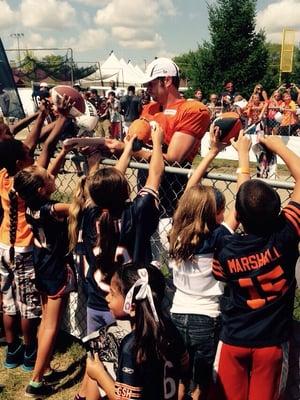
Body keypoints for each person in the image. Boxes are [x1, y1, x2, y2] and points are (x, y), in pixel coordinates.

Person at [72, 121, 164, 400]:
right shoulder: (135, 214)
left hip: (96, 301)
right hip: (122, 305)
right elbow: (156, 174)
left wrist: (126, 151)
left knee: (97, 361)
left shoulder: (89, 214)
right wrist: (157, 142)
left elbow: (109, 185)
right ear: (124, 190)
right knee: (121, 367)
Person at [212, 135, 300, 400]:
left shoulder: (226, 249)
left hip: (234, 338)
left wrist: (242, 154)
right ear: (277, 212)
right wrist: (279, 147)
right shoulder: (286, 234)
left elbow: (243, 203)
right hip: (270, 341)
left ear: (238, 215)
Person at [169, 127, 251, 400]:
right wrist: (243, 156)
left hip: (177, 313)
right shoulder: (218, 237)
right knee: (201, 382)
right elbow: (240, 205)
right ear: (216, 214)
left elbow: (189, 192)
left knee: (181, 375)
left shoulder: (176, 232)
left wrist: (212, 152)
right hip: (207, 317)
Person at [12, 97, 76, 398]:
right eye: (49, 176)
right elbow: (77, 207)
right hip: (53, 266)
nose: (52, 172)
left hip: (40, 261)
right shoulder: (53, 208)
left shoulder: (31, 204)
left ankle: (43, 365)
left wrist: (62, 148)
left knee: (45, 320)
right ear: (42, 188)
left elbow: (47, 157)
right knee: (51, 324)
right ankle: (36, 381)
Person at [0, 100, 59, 374]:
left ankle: (11, 350)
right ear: (20, 163)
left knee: (8, 302)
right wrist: (58, 121)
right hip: (23, 249)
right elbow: (43, 148)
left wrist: (42, 117)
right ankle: (29, 350)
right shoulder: (29, 185)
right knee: (27, 307)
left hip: (3, 246)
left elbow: (30, 145)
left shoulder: (3, 176)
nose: (30, 154)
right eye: (26, 155)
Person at [86, 263, 189, 400]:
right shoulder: (169, 328)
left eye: (112, 293)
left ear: (132, 307)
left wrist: (100, 374)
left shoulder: (132, 346)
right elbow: (185, 366)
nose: (107, 298)